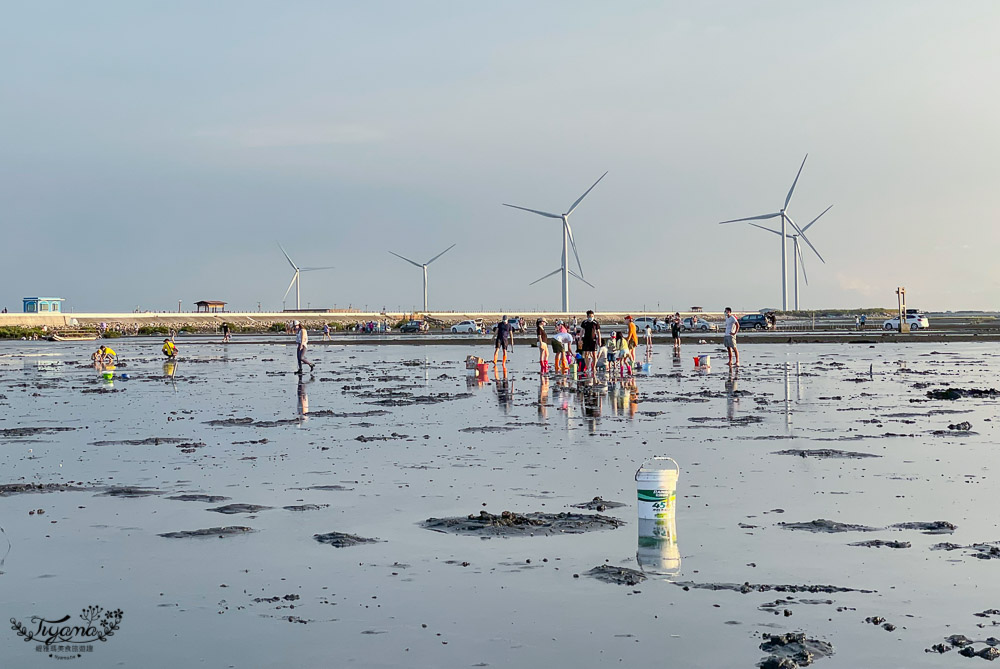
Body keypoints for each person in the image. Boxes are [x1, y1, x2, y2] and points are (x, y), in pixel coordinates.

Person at [580, 310, 602, 377]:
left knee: (594, 354)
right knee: (586, 354)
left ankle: (594, 367)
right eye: (590, 316)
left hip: (593, 340)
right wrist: (580, 339)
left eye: (592, 316)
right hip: (586, 340)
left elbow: (598, 333)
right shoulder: (584, 322)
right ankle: (588, 367)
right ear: (587, 316)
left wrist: (599, 340)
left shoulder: (595, 323)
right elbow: (582, 331)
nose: (591, 317)